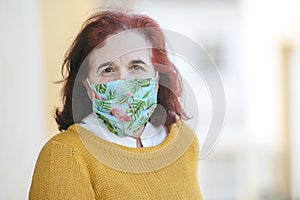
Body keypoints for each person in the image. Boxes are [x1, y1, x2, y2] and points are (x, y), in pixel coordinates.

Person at [29, 9, 202, 199]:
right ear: (88, 87)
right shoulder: (64, 155)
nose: (124, 83)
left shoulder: (183, 142)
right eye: (108, 70)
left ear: (156, 77)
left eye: (136, 67)